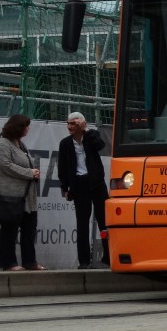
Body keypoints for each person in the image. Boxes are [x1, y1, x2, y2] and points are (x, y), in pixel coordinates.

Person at [0, 113, 43, 271]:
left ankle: (30, 261)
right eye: (25, 126)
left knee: (29, 228)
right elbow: (4, 165)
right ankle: (8, 263)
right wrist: (29, 173)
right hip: (11, 195)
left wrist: (34, 173)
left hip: (27, 196)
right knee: (9, 229)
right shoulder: (3, 144)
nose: (28, 129)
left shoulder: (21, 145)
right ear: (17, 128)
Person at [58, 111, 110, 269]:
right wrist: (64, 187)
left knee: (104, 220)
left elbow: (101, 146)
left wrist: (86, 130)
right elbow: (63, 167)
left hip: (96, 183)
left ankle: (109, 256)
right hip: (79, 184)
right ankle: (84, 261)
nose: (70, 127)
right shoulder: (65, 143)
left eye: (73, 124)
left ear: (81, 124)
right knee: (82, 223)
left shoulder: (91, 136)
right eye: (68, 124)